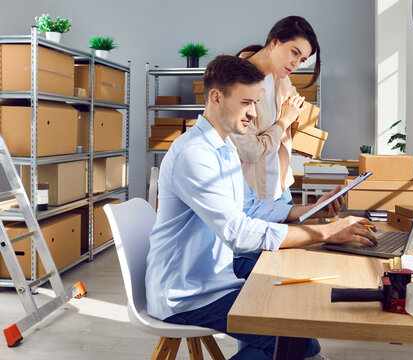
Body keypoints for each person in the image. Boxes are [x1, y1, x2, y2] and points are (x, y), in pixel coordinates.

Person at [145, 55, 377, 360]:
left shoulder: (224, 145)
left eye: (255, 102)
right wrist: (324, 233)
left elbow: (249, 206)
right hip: (188, 292)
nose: (254, 113)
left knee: (297, 303)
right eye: (246, 102)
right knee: (293, 338)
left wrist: (311, 212)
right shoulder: (194, 154)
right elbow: (238, 232)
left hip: (216, 269)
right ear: (216, 97)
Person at [230, 15, 321, 205]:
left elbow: (296, 111)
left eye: (302, 59)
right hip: (252, 196)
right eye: (294, 52)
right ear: (274, 42)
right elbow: (249, 151)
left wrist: (300, 138)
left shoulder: (281, 77)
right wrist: (284, 122)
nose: (296, 64)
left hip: (281, 188)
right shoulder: (237, 82)